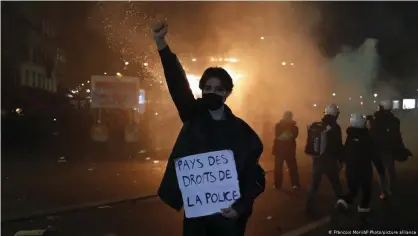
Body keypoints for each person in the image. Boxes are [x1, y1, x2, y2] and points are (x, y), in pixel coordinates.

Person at [153, 22, 265, 236]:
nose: (212, 93)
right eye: (208, 88)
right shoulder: (193, 116)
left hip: (228, 221)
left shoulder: (243, 132)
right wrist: (161, 45)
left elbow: (256, 178)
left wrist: (239, 208)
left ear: (228, 93)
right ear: (202, 90)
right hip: (197, 217)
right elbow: (178, 84)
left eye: (218, 89)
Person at [336, 114, 383, 218]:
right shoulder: (368, 137)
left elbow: (345, 151)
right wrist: (381, 169)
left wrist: (341, 163)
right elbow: (374, 155)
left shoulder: (350, 136)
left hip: (351, 169)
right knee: (366, 190)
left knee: (353, 190)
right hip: (364, 170)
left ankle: (343, 201)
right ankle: (363, 209)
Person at [305, 104, 344, 214]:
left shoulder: (318, 125)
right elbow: (338, 146)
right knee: (336, 184)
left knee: (314, 184)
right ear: (335, 114)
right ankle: (341, 204)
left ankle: (309, 205)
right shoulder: (335, 128)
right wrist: (341, 160)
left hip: (317, 159)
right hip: (330, 160)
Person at [370, 100, 402, 196]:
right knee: (391, 169)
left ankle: (383, 191)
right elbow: (397, 135)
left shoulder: (375, 120)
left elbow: (371, 133)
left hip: (378, 148)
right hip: (389, 148)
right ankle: (390, 188)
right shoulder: (395, 120)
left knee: (381, 171)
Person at [272, 111, 300, 190]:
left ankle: (278, 185)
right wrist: (287, 134)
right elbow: (288, 136)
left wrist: (284, 135)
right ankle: (294, 184)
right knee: (291, 168)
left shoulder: (280, 126)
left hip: (281, 150)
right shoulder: (294, 127)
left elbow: (282, 136)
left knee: (284, 168)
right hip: (287, 150)